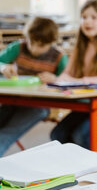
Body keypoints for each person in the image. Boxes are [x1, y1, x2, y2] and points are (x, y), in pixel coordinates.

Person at [50, 0, 97, 150]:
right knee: (57, 135)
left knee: (80, 135)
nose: (88, 22)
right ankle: (77, 166)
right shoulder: (80, 46)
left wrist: (80, 81)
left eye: (94, 17)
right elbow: (66, 74)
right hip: (87, 104)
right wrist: (60, 79)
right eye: (84, 17)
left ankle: (95, 163)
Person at [0, 17, 68, 156]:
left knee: (5, 135)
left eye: (41, 46)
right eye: (32, 42)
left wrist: (56, 79)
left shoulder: (59, 57)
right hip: (13, 101)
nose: (35, 49)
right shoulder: (18, 47)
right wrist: (3, 67)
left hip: (40, 106)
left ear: (51, 43)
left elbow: (68, 81)